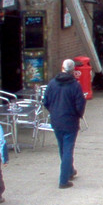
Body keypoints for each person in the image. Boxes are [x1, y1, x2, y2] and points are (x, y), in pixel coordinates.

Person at [42, 58, 86, 189]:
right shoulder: (75, 86)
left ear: (62, 68)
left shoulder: (52, 84)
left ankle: (70, 170)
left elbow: (46, 101)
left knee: (62, 147)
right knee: (68, 149)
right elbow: (80, 104)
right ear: (73, 71)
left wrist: (53, 111)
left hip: (56, 120)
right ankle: (63, 180)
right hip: (70, 121)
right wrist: (78, 115)